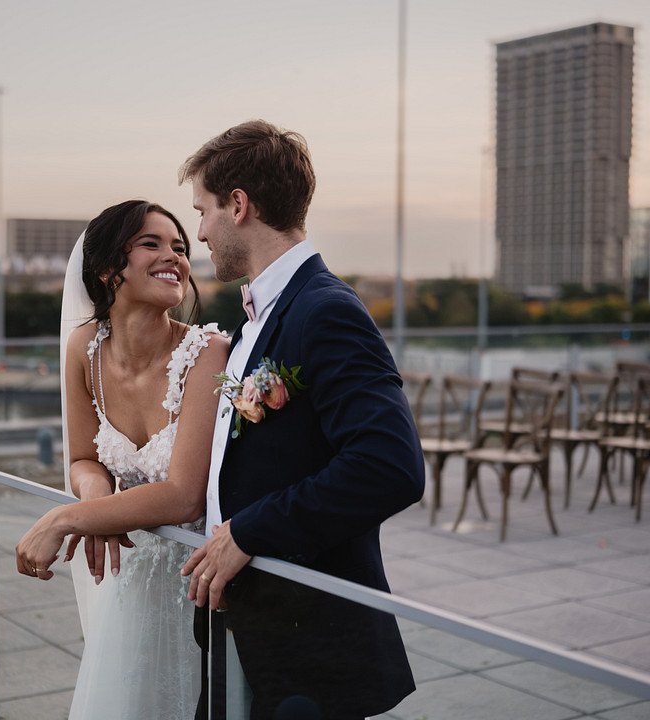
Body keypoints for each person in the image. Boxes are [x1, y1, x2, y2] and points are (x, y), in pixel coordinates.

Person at [179, 120, 426, 719]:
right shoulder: (256, 319)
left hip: (310, 642)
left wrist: (249, 531)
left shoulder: (326, 311)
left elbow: (390, 468)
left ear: (239, 205)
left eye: (204, 211)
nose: (201, 231)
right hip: (248, 629)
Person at [14, 200, 229, 720]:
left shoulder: (208, 354)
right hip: (130, 581)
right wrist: (97, 500)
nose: (174, 256)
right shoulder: (83, 348)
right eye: (151, 244)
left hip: (199, 581)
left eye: (179, 246)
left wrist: (67, 519)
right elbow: (84, 458)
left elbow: (183, 495)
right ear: (110, 269)